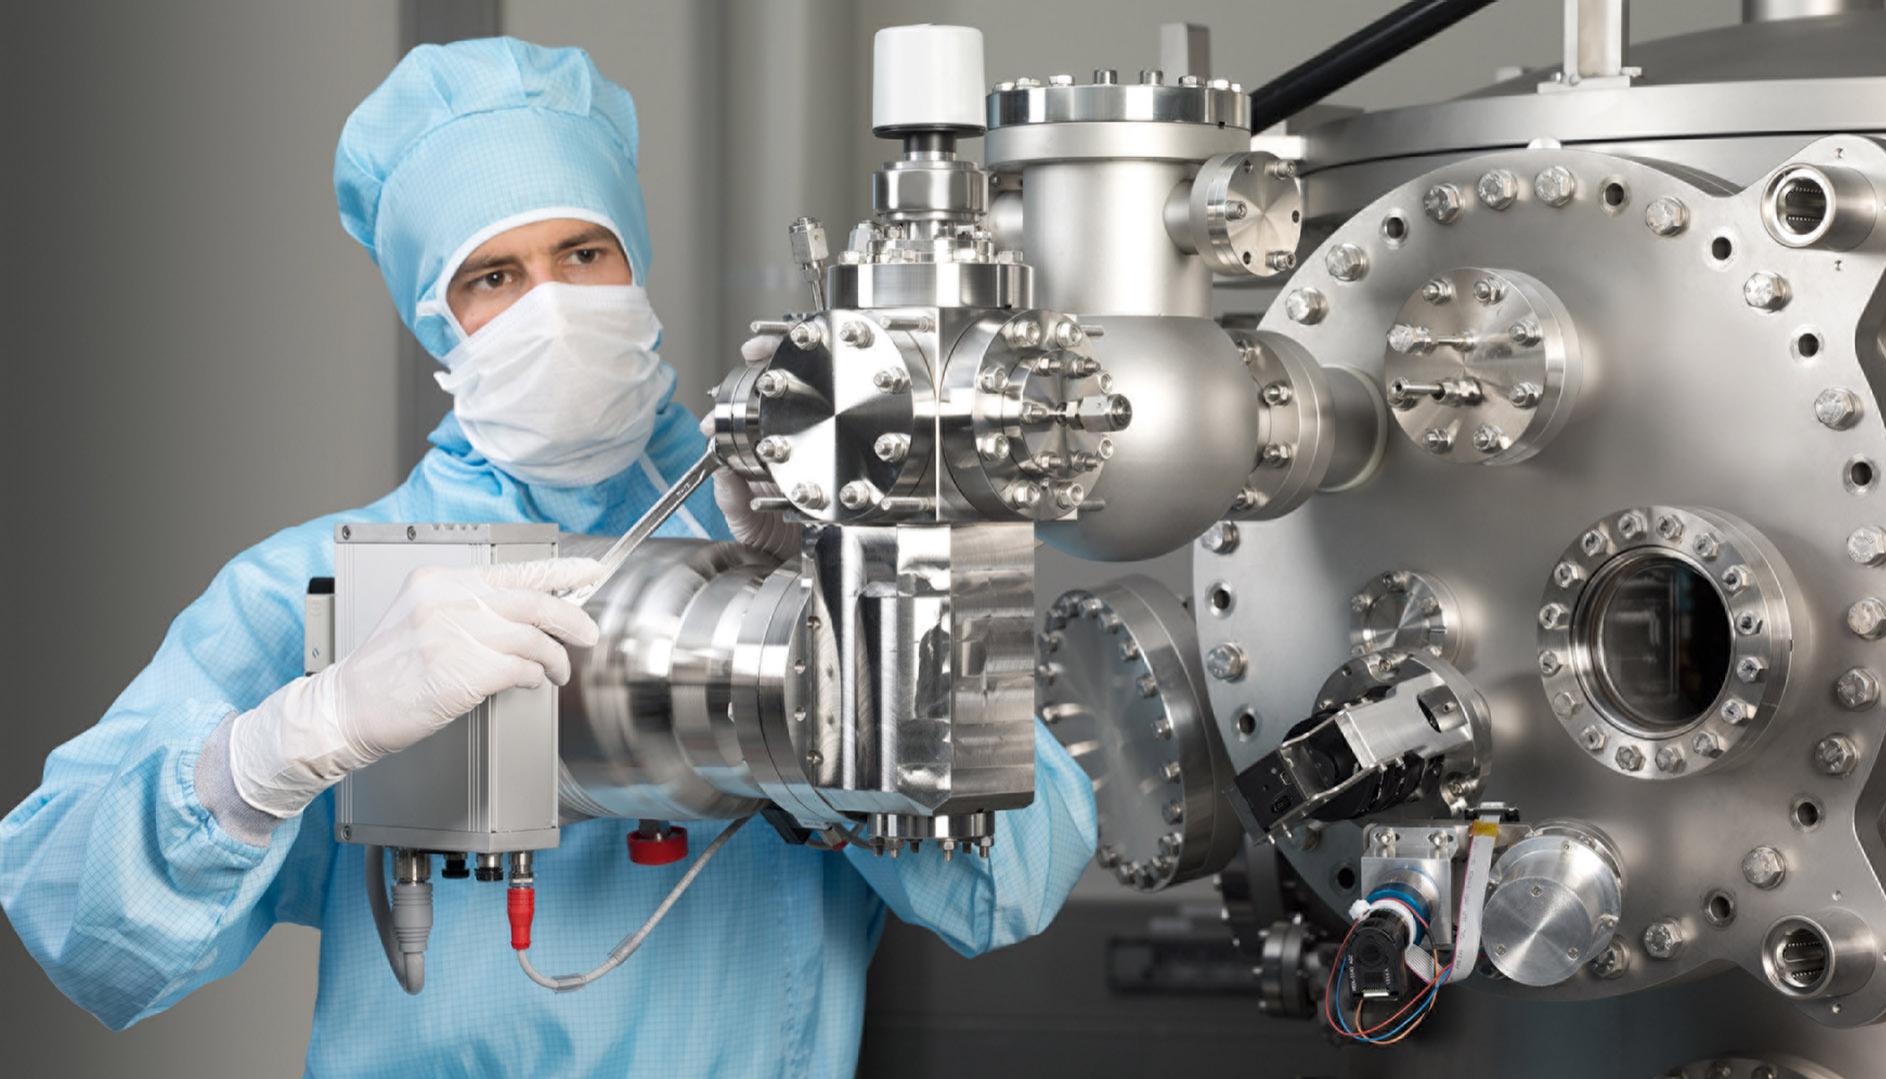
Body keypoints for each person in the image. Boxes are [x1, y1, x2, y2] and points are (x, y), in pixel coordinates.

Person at [0, 37, 1095, 1077]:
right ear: (439, 321)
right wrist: (291, 738)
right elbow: (69, 916)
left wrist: (842, 588)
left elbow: (1013, 884)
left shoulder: (806, 543)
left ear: (634, 261)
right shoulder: (319, 587)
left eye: (583, 253)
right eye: (492, 276)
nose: (554, 306)